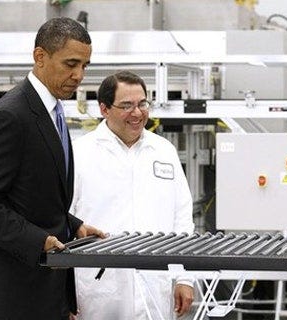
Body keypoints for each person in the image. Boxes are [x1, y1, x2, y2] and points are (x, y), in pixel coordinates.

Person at [0, 17, 105, 319]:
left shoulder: (52, 110)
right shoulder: (12, 116)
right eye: (71, 64)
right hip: (15, 293)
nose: (79, 75)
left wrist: (71, 224)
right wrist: (38, 241)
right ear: (40, 57)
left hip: (45, 290)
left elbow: (33, 192)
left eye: (85, 66)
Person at [71, 70, 195, 319]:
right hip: (97, 291)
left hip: (155, 285)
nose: (137, 113)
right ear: (104, 109)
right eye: (126, 105)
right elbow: (62, 220)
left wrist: (184, 277)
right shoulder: (80, 153)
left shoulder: (164, 151)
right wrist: (62, 295)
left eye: (142, 104)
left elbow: (181, 217)